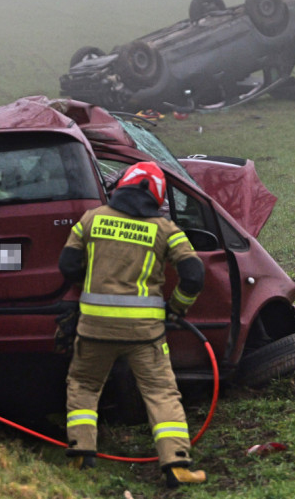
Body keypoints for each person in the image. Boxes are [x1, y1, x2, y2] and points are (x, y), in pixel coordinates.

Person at [58, 162, 207, 488]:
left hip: (94, 330)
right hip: (145, 334)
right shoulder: (166, 229)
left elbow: (67, 265)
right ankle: (177, 465)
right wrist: (177, 307)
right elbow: (194, 275)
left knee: (83, 386)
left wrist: (94, 282)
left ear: (121, 185)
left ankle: (82, 455)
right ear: (157, 196)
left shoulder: (91, 219)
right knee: (160, 393)